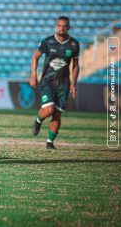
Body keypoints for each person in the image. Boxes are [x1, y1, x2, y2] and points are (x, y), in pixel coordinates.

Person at [30, 16, 79, 149]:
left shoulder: (74, 44)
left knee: (57, 114)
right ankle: (38, 120)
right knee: (49, 109)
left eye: (64, 26)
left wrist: (74, 84)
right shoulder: (48, 41)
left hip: (63, 84)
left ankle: (50, 142)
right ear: (56, 26)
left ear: (68, 27)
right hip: (47, 81)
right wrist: (34, 74)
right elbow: (35, 57)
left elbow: (75, 65)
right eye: (59, 26)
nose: (61, 28)